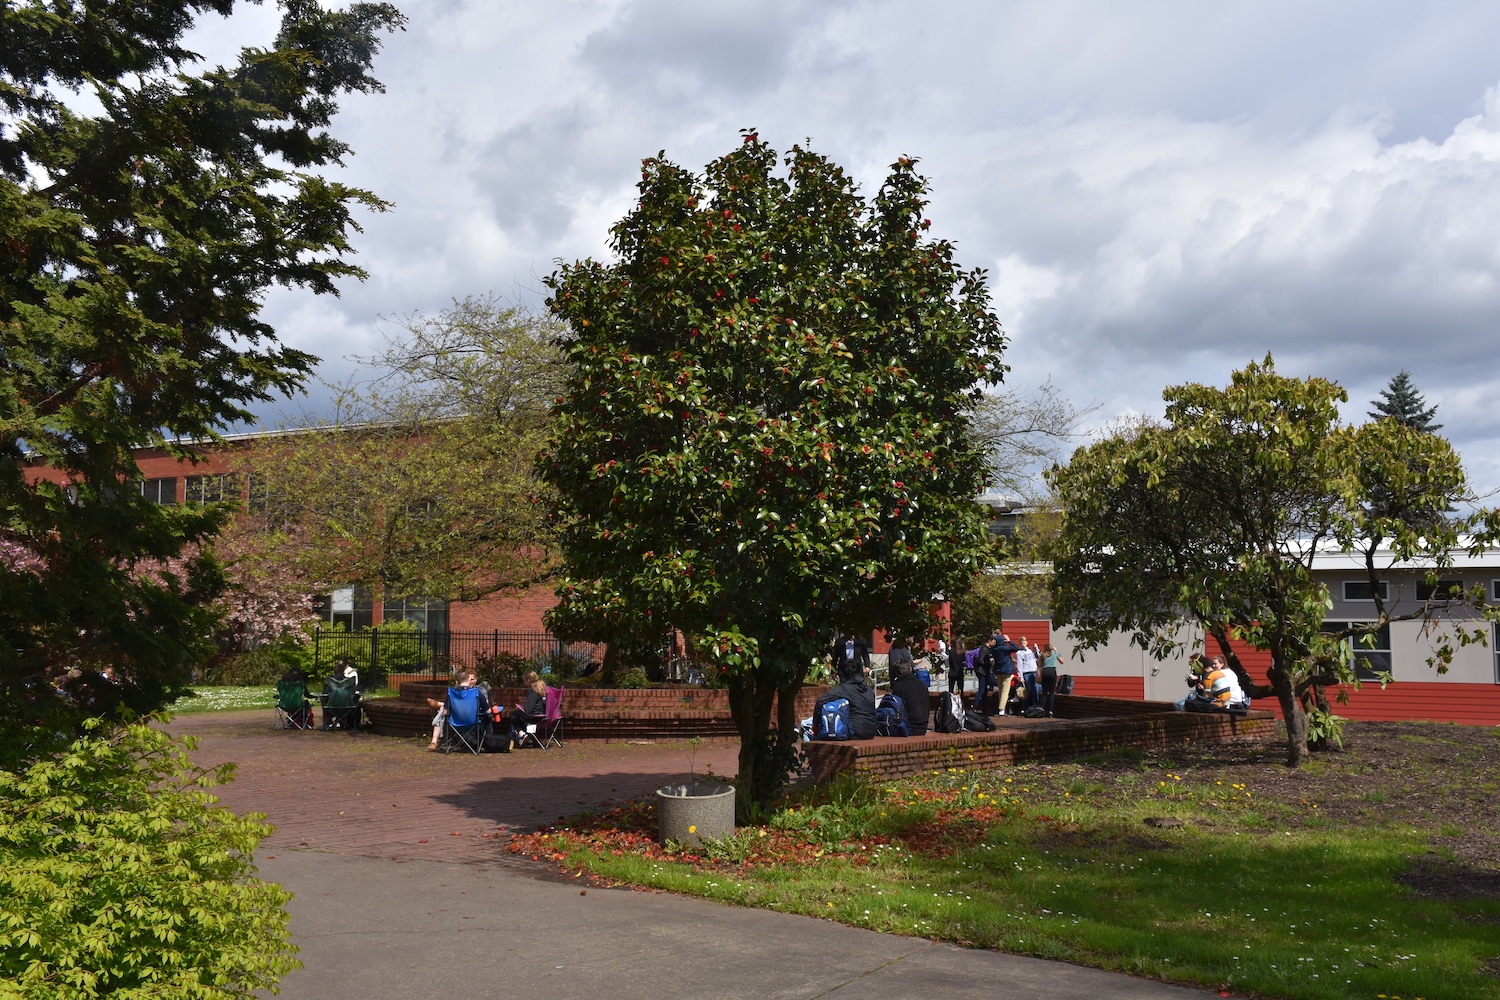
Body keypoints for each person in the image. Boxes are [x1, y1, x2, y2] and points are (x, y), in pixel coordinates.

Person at [814, 655, 877, 740]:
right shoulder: (869, 690)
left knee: (808, 733)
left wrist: (815, 725)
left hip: (854, 732)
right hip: (871, 731)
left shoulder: (844, 689)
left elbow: (820, 701)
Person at [1177, 655, 1247, 713]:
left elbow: (1207, 696)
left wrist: (1201, 691)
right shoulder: (1223, 673)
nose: (1213, 666)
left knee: (1181, 703)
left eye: (1215, 664)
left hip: (1225, 703)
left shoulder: (1213, 675)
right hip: (1228, 703)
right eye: (1212, 664)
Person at [888, 657, 930, 736]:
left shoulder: (898, 687)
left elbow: (896, 711)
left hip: (908, 727)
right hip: (923, 726)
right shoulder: (922, 684)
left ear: (897, 672)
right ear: (910, 669)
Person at [509, 670, 549, 746]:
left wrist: (522, 706)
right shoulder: (542, 688)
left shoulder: (532, 690)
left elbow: (529, 710)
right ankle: (529, 738)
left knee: (513, 714)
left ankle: (522, 734)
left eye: (525, 681)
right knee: (519, 715)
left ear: (528, 680)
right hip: (543, 715)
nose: (525, 683)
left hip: (534, 716)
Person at [991, 633, 1020, 716]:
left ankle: (1001, 708)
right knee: (1005, 691)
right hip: (1006, 671)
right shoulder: (1005, 649)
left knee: (1000, 690)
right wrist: (1009, 641)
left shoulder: (994, 649)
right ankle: (1002, 709)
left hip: (998, 671)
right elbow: (1016, 648)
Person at [1038, 643, 1064, 717]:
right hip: (1052, 671)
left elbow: (1039, 664)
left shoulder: (1043, 654)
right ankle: (1050, 711)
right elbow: (1062, 661)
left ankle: (1042, 709)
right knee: (1052, 692)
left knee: (1044, 692)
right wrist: (1056, 652)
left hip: (1045, 671)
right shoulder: (1055, 652)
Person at [1015, 636, 1039, 712]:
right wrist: (1020, 676)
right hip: (1026, 673)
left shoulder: (1030, 651)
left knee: (1035, 689)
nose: (1023, 644)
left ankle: (1036, 705)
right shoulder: (1019, 653)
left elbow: (1037, 658)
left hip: (1034, 671)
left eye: (1024, 643)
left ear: (1027, 642)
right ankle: (1025, 708)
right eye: (1021, 643)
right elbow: (1019, 664)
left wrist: (1036, 649)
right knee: (1026, 691)